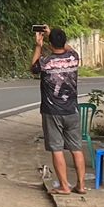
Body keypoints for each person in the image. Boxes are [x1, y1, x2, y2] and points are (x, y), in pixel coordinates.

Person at [31, 27, 86, 195]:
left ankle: (64, 186)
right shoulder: (73, 58)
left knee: (57, 148)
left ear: (50, 43)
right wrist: (52, 35)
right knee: (76, 148)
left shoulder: (46, 62)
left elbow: (33, 67)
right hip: (72, 110)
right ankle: (81, 186)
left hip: (52, 111)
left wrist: (39, 46)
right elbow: (68, 48)